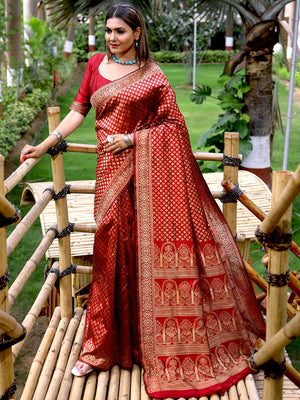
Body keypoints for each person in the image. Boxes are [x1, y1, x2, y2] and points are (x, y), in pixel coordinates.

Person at [20, 2, 265, 398]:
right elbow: (77, 111)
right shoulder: (95, 65)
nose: (112, 38)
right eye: (108, 31)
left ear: (137, 33)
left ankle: (146, 344)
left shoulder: (152, 76)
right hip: (111, 175)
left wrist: (134, 139)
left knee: (146, 252)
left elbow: (172, 124)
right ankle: (101, 347)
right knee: (110, 249)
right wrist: (44, 144)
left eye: (120, 31)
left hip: (153, 177)